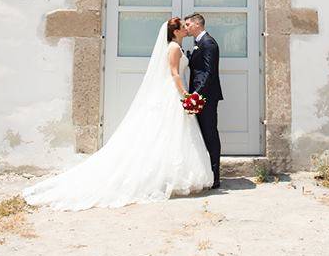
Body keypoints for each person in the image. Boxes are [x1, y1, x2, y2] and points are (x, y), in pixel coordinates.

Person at [21, 17, 213, 210]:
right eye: (182, 27)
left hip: (173, 94)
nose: (186, 29)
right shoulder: (173, 48)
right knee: (165, 133)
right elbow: (174, 73)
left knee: (174, 135)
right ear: (175, 32)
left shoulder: (176, 47)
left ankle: (173, 175)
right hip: (172, 93)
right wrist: (186, 95)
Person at [183, 13, 223, 189]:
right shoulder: (199, 43)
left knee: (210, 134)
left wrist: (196, 95)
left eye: (188, 24)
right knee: (200, 135)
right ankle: (205, 173)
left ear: (197, 25)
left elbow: (209, 72)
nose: (186, 27)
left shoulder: (209, 43)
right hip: (199, 96)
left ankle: (215, 176)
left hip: (206, 97)